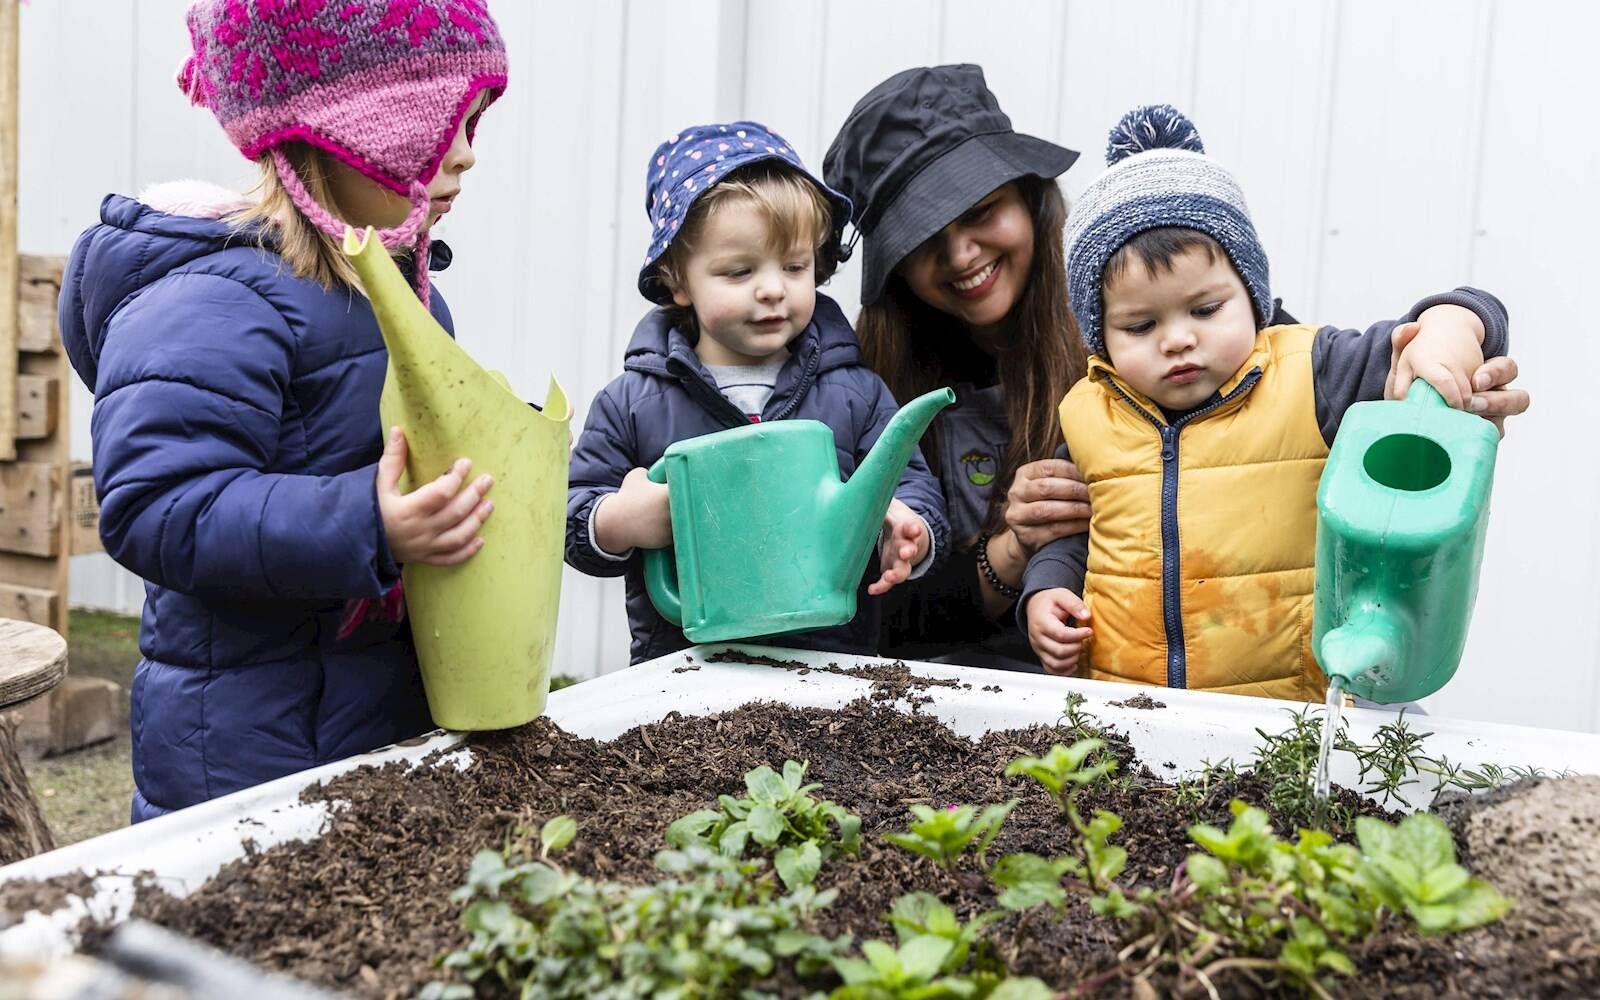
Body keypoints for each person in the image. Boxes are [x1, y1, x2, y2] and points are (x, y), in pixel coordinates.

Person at [824, 64, 1530, 672]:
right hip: (1044, 698)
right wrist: (1014, 554)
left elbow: (1324, 367)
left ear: (1031, 201)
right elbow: (885, 624)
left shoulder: (1184, 327)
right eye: (925, 240)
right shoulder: (871, 387)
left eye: (980, 212)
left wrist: (1444, 350)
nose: (963, 255)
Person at [58, 1, 508, 820]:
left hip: (372, 712)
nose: (470, 158)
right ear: (346, 129)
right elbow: (154, 504)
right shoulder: (215, 298)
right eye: (446, 124)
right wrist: (367, 522)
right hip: (245, 747)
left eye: (476, 126)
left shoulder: (401, 295)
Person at [1019, 104, 1511, 701]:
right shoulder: (1086, 413)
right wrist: (1044, 593)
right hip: (1130, 712)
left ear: (1252, 293)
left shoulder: (1314, 373)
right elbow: (1074, 537)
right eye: (1141, 325)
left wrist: (1453, 326)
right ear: (1100, 335)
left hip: (1288, 717)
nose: (1178, 339)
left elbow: (1447, 319)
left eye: (1205, 310)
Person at [566, 122, 949, 664]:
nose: (773, 288)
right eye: (739, 271)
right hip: (684, 675)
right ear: (677, 281)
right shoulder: (631, 402)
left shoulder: (855, 392)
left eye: (794, 266)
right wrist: (616, 521)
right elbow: (571, 515)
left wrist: (909, 526)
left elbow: (909, 480)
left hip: (832, 669)